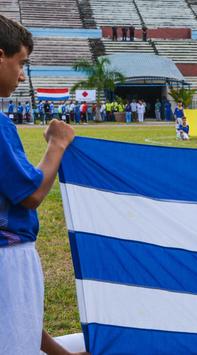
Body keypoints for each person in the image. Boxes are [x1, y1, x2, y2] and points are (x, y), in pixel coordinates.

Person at [0, 14, 87, 355]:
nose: (23, 76)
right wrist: (57, 143)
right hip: (8, 255)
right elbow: (31, 194)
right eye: (21, 63)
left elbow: (16, 320)